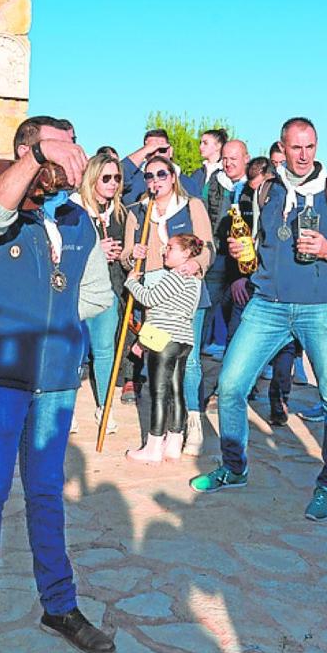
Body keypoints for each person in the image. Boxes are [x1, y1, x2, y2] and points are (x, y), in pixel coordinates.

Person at [0, 116, 114, 653]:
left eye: (71, 148)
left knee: (46, 494)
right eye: (57, 150)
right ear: (27, 151)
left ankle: (59, 607)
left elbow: (94, 294)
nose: (70, 163)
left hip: (56, 378)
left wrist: (58, 326)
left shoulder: (77, 218)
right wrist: (39, 155)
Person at [190, 117, 327, 524]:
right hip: (267, 303)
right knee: (232, 386)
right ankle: (234, 467)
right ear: (283, 149)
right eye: (296, 147)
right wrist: (243, 249)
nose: (303, 155)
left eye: (310, 146)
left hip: (320, 307)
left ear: (317, 146)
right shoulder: (267, 190)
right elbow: (257, 243)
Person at [122, 155, 213, 454]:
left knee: (190, 363)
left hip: (186, 289)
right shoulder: (138, 212)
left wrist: (196, 264)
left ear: (173, 177)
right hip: (154, 294)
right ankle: (168, 437)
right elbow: (126, 257)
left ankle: (193, 425)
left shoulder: (192, 206)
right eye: (149, 176)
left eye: (162, 174)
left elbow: (208, 246)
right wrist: (130, 254)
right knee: (160, 366)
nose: (155, 180)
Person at [124, 233, 204, 462]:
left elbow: (149, 298)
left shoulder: (175, 276)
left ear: (186, 253)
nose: (164, 251)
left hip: (164, 339)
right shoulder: (196, 281)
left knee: (158, 393)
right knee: (176, 390)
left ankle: (154, 445)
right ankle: (174, 440)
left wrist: (131, 281)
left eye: (170, 248)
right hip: (183, 339)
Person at [76, 151, 127, 433]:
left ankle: (104, 408)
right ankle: (65, 410)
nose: (112, 183)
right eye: (106, 177)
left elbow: (129, 254)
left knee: (105, 351)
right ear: (92, 178)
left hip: (108, 291)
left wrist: (124, 255)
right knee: (73, 352)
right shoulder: (74, 210)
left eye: (117, 178)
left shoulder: (120, 212)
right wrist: (96, 251)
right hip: (78, 292)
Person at [201, 138, 253, 360]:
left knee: (240, 320)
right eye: (225, 159)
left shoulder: (255, 186)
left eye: (234, 158)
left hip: (244, 264)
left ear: (246, 159)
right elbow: (203, 217)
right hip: (216, 259)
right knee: (204, 313)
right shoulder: (214, 182)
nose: (228, 163)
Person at [182, 127, 227, 199]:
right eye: (200, 143)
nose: (201, 147)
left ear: (218, 146)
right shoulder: (198, 173)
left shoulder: (226, 172)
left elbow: (232, 202)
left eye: (205, 143)